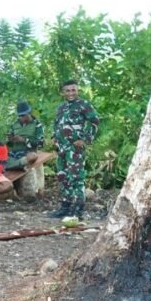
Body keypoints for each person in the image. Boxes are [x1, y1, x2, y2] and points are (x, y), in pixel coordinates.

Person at [50, 80, 100, 219]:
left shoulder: (83, 105)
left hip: (74, 148)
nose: (71, 93)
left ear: (78, 91)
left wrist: (85, 139)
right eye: (68, 90)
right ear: (63, 92)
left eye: (74, 90)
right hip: (61, 147)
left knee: (76, 177)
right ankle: (65, 206)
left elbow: (94, 121)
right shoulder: (61, 107)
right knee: (62, 176)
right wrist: (54, 136)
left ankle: (77, 209)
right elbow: (57, 123)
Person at [6, 101, 45, 170]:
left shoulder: (37, 124)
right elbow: (8, 144)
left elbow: (40, 144)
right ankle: (18, 165)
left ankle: (14, 165)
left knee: (32, 156)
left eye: (23, 115)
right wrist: (10, 140)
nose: (21, 117)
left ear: (28, 113)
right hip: (13, 154)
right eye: (19, 116)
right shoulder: (14, 124)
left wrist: (24, 140)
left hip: (27, 153)